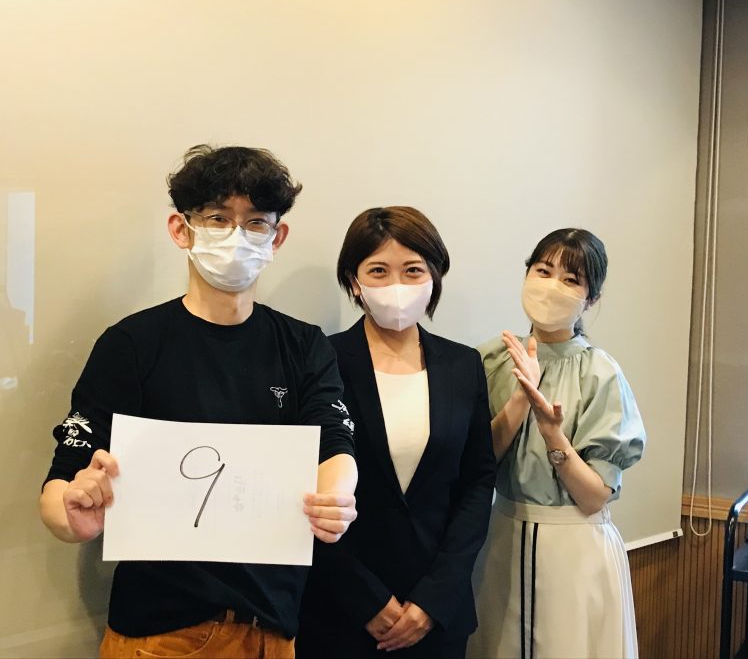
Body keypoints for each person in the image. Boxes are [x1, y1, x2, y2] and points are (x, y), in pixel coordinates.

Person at [38, 145, 358, 659]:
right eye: (217, 219)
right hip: (159, 633)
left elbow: (334, 440)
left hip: (275, 628)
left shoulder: (304, 345)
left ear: (277, 238)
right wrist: (72, 515)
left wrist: (336, 498)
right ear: (181, 229)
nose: (237, 236)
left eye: (256, 222)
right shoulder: (132, 344)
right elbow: (63, 481)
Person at [297, 206, 496, 659]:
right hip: (340, 613)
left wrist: (434, 598)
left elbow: (477, 481)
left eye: (413, 270)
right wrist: (366, 601)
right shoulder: (321, 361)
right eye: (378, 271)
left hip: (438, 615)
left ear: (434, 277)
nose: (397, 286)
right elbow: (304, 491)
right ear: (354, 281)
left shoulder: (464, 364)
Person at [467, 228, 646, 659]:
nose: (552, 286)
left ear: (591, 299)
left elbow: (594, 497)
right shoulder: (490, 359)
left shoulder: (601, 374)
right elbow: (477, 465)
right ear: (526, 274)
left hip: (575, 547)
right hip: (501, 536)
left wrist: (552, 433)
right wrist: (519, 398)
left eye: (571, 279)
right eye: (543, 271)